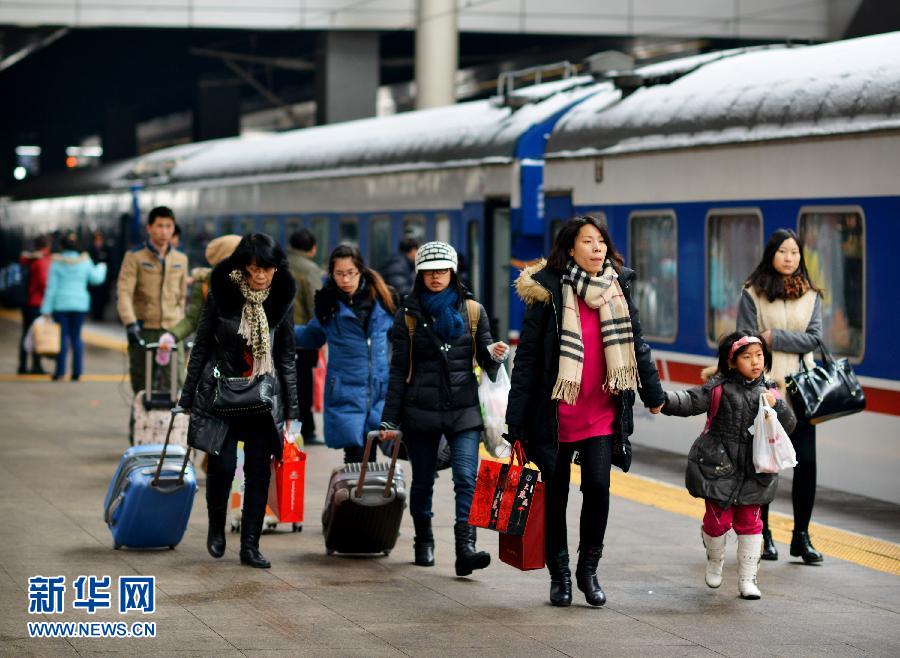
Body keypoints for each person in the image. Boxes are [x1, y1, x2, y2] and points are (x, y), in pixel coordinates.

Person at [506, 216, 665, 607]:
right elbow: (526, 358)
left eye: (601, 242)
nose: (597, 249)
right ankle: (559, 575)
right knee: (555, 494)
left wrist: (654, 393)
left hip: (601, 410)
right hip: (556, 413)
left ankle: (587, 570)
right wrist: (516, 419)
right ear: (570, 248)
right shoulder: (548, 291)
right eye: (588, 242)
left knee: (597, 487)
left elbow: (637, 345)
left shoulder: (617, 287)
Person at [380, 241, 509, 576]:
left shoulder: (473, 311)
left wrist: (493, 354)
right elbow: (397, 371)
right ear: (419, 274)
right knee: (423, 481)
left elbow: (483, 359)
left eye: (442, 270)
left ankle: (465, 548)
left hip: (464, 409)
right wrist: (389, 419)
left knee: (467, 477)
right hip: (420, 411)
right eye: (429, 271)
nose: (436, 277)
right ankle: (423, 539)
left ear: (453, 273)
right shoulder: (407, 317)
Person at [178, 233, 299, 569]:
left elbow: (287, 356)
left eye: (267, 269)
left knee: (259, 472)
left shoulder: (282, 299)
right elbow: (201, 345)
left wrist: (292, 410)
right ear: (242, 267)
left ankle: (250, 545)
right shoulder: (222, 293)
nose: (260, 276)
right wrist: (187, 397)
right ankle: (216, 526)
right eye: (253, 269)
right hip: (221, 393)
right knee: (222, 466)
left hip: (261, 397)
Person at [661, 331, 796, 599]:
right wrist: (662, 400)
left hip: (755, 470)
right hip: (718, 468)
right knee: (717, 523)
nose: (755, 362)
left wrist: (777, 405)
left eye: (759, 356)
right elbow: (690, 400)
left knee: (750, 523)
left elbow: (789, 424)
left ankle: (748, 579)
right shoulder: (718, 388)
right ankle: (714, 559)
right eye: (747, 357)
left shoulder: (769, 391)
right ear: (732, 362)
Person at [736, 228, 824, 564]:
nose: (790, 258)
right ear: (771, 255)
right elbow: (744, 339)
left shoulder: (811, 295)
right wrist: (761, 341)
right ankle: (764, 533)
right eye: (783, 252)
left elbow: (814, 339)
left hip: (803, 391)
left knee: (807, 465)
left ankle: (801, 536)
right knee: (765, 463)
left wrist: (773, 337)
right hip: (767, 390)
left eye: (795, 253)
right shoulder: (752, 293)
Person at [294, 245, 395, 463]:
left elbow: (402, 336)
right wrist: (277, 333)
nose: (345, 279)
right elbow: (311, 336)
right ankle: (355, 496)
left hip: (378, 392)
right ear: (331, 274)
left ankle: (362, 496)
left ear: (361, 271)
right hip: (345, 393)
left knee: (371, 454)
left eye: (351, 273)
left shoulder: (384, 302)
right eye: (339, 274)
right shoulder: (329, 307)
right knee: (356, 457)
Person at [116, 206, 188, 394]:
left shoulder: (181, 259)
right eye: (159, 226)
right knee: (142, 387)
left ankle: (174, 424)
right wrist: (130, 324)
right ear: (149, 228)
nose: (164, 231)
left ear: (173, 229)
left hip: (171, 331)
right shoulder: (135, 257)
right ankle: (140, 422)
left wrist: (180, 326)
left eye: (168, 226)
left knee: (177, 384)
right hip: (143, 329)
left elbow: (182, 296)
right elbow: (124, 292)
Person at [40, 233, 107, 381]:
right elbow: (96, 279)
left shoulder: (56, 263)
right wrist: (102, 266)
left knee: (62, 338)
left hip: (61, 304)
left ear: (61, 246)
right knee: (76, 338)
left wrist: (46, 309)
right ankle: (77, 372)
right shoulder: (85, 260)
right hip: (79, 304)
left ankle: (60, 372)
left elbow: (51, 288)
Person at [288, 228, 326, 445]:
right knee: (303, 385)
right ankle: (306, 431)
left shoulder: (279, 263)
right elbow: (316, 303)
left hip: (283, 334)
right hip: (303, 336)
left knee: (289, 384)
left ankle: (293, 429)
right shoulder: (310, 269)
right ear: (313, 248)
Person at [165, 235, 242, 342]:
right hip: (212, 351)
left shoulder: (253, 284)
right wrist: (172, 336)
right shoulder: (204, 286)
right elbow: (192, 320)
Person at [17, 236, 51, 374]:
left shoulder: (28, 260)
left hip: (26, 302)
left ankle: (22, 365)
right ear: (46, 246)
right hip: (37, 303)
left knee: (26, 333)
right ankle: (36, 366)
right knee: (36, 334)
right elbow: (44, 283)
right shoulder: (41, 261)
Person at [88, 230, 112, 322]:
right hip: (93, 281)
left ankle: (100, 315)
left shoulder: (106, 250)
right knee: (94, 298)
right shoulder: (90, 250)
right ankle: (95, 315)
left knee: (103, 298)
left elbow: (111, 264)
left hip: (104, 280)